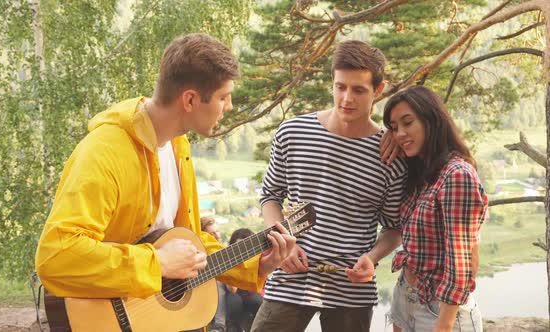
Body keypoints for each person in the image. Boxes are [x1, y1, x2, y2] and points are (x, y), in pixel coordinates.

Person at [34, 33, 296, 330]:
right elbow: (56, 257)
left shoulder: (177, 147)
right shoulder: (103, 152)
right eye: (223, 97)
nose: (230, 107)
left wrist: (257, 264)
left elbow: (188, 248)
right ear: (190, 100)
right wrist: (156, 263)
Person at [251, 40, 407, 332]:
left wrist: (372, 259)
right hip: (291, 275)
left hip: (352, 287)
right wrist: (283, 243)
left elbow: (394, 228)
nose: (347, 98)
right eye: (340, 87)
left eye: (359, 90)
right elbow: (270, 196)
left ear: (379, 89)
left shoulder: (390, 155)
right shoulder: (292, 133)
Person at [382, 85, 487, 332]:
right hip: (405, 297)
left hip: (440, 311)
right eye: (394, 127)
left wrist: (444, 325)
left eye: (408, 123)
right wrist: (390, 136)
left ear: (432, 120)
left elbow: (461, 262)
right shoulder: (420, 172)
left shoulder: (457, 175)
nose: (400, 134)